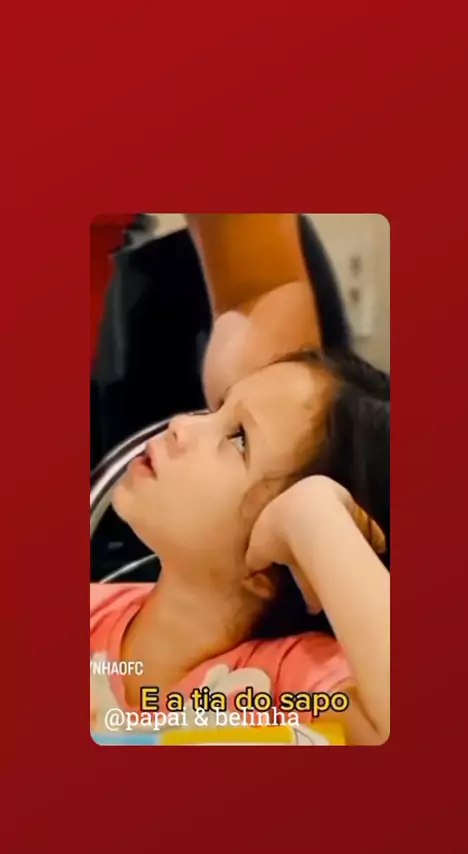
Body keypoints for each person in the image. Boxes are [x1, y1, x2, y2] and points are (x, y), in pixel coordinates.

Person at [90, 214, 390, 745]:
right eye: (218, 410)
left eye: (238, 439)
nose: (180, 424)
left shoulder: (279, 687)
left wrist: (316, 517)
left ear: (278, 561)